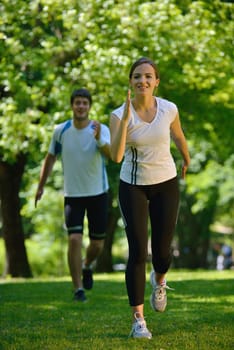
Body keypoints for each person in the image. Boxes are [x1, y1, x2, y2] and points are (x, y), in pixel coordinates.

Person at [110, 57, 190, 339]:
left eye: (148, 76)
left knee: (163, 249)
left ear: (156, 82)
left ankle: (160, 280)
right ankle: (138, 321)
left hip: (166, 183)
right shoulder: (119, 114)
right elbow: (116, 156)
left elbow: (178, 136)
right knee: (137, 252)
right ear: (130, 82)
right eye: (137, 77)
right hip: (133, 185)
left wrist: (186, 157)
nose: (142, 81)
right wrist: (126, 121)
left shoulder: (169, 109)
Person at [35, 88, 110, 302]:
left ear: (89, 106)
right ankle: (78, 289)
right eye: (77, 102)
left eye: (85, 103)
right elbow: (50, 158)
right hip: (73, 195)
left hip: (97, 193)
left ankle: (87, 264)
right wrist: (41, 186)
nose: (81, 106)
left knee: (97, 245)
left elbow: (112, 154)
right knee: (75, 239)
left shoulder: (99, 128)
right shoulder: (61, 130)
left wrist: (98, 139)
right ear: (72, 105)